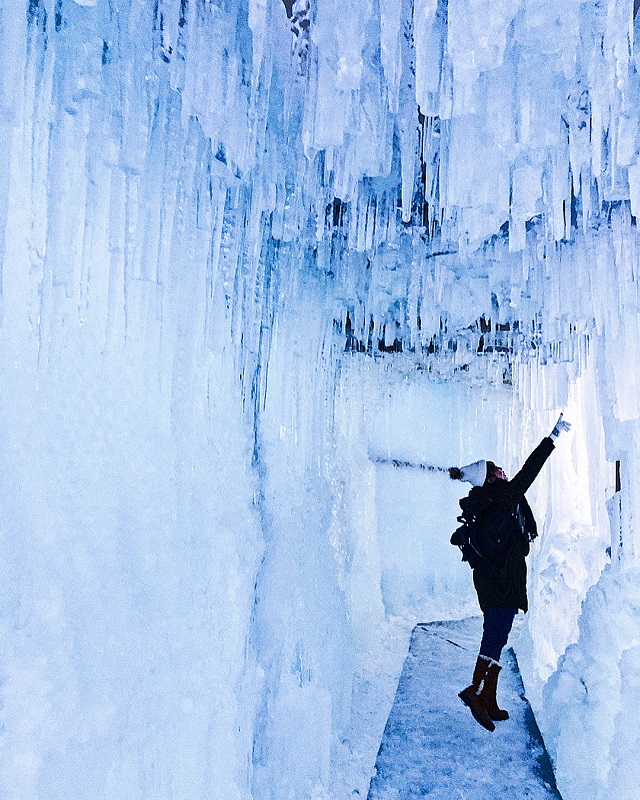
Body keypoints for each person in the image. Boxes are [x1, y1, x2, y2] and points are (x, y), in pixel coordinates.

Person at [448, 413, 572, 732]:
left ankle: (488, 695)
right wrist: (551, 438)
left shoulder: (489, 501)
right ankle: (475, 691)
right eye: (495, 470)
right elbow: (530, 470)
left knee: (498, 636)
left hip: (494, 579)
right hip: (499, 582)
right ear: (490, 478)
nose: (502, 470)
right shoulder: (503, 497)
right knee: (494, 635)